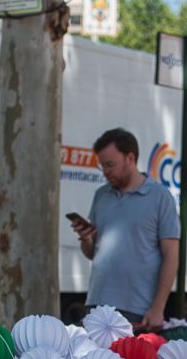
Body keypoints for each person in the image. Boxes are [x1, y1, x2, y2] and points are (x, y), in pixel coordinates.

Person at [71, 128, 181, 328]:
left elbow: (171, 256)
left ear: (130, 158)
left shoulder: (160, 197)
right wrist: (86, 238)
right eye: (102, 166)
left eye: (110, 164)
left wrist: (158, 308)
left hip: (137, 309)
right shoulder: (101, 195)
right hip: (96, 304)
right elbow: (92, 253)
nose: (105, 171)